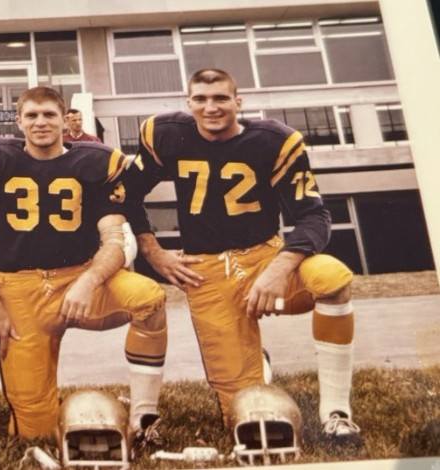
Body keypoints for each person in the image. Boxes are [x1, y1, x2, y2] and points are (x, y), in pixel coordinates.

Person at [126, 68, 360, 442]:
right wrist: (154, 253)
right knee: (246, 418)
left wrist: (279, 269)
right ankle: (258, 371)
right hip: (205, 270)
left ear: (239, 101)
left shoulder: (274, 141)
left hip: (266, 258)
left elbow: (315, 215)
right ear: (188, 104)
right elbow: (124, 195)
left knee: (333, 279)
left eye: (220, 98)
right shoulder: (168, 134)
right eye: (200, 99)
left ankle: (336, 412)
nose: (211, 107)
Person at [0, 86, 168, 448]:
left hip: (80, 278)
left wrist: (89, 280)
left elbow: (115, 240)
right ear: (19, 121)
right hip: (19, 287)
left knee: (148, 297)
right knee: (34, 433)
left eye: (49, 115)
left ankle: (144, 414)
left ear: (64, 120)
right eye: (32, 116)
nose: (41, 123)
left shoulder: (96, 161)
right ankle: (41, 405)